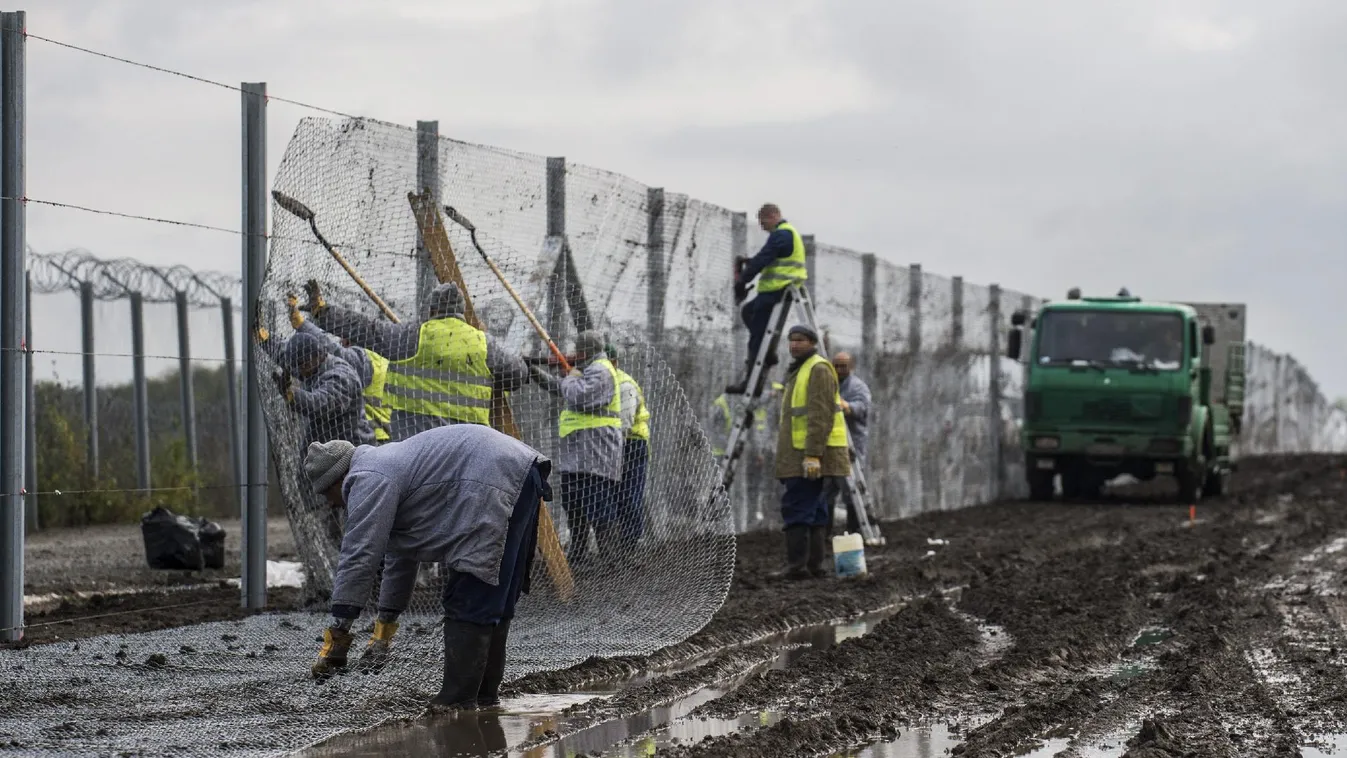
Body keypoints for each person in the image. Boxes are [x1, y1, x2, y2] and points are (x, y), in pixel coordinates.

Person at [303, 424, 551, 711]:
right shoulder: (386, 467)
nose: (331, 505)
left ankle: (456, 703)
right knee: (493, 595)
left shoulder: (367, 477)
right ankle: (484, 699)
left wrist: (339, 632)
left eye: (326, 494)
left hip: (490, 478)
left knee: (472, 596)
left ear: (337, 480)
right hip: (517, 471)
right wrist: (383, 633)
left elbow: (359, 556)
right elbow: (401, 558)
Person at [300, 280, 532, 440]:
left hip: (416, 446)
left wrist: (324, 313)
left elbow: (366, 329)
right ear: (461, 313)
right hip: (468, 448)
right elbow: (518, 375)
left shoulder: (413, 336)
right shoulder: (483, 343)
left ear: (432, 311)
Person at [528, 331, 623, 564]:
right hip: (577, 453)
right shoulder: (586, 370)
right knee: (573, 503)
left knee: (598, 503)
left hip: (596, 450)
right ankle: (579, 555)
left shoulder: (600, 370)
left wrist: (570, 376)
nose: (575, 353)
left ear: (586, 350)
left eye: (579, 349)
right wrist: (534, 370)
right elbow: (559, 387)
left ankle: (611, 558)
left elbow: (578, 394)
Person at [775, 325, 850, 579]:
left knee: (797, 506)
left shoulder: (817, 369)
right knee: (816, 508)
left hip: (807, 455)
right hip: (803, 452)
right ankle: (814, 566)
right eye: (791, 340)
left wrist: (812, 455)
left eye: (801, 340)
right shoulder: (802, 369)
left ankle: (797, 567)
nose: (794, 345)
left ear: (813, 343)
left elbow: (820, 416)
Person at [286, 294, 392, 443]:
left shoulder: (365, 362)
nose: (342, 341)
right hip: (380, 436)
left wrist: (303, 325)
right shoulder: (382, 359)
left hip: (370, 438)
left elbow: (334, 350)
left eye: (346, 338)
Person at [726, 204, 807, 395]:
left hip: (777, 289)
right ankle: (768, 353)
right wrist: (750, 263)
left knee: (757, 336)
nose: (762, 227)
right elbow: (769, 257)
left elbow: (764, 258)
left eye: (763, 222)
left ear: (772, 216)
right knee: (748, 312)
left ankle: (751, 384)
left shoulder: (782, 234)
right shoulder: (787, 234)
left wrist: (742, 280)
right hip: (782, 288)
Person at [256, 326, 374, 448]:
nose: (300, 372)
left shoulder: (340, 376)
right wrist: (264, 339)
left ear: (317, 356)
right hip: (331, 446)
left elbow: (319, 403)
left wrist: (292, 394)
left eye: (303, 366)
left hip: (354, 450)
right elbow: (284, 357)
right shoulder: (313, 367)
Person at [609, 346, 651, 553]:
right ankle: (621, 543)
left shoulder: (624, 385)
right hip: (615, 443)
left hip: (631, 443)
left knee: (629, 494)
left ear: (613, 362)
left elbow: (625, 423)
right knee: (617, 495)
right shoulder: (604, 381)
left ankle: (631, 544)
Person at [826, 352, 873, 534]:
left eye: (843, 366)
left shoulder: (858, 387)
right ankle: (825, 532)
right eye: (836, 366)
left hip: (852, 445)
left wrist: (847, 407)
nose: (839, 370)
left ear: (851, 367)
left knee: (852, 489)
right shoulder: (829, 385)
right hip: (830, 445)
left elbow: (863, 407)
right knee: (827, 489)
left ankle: (855, 530)